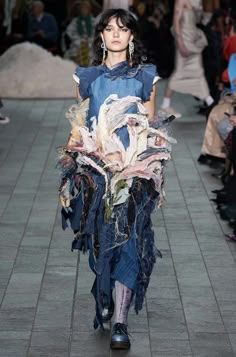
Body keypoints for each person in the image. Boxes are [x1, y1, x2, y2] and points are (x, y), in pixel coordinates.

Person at [57, 8, 174, 350]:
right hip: (94, 172)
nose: (116, 34)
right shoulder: (88, 77)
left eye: (123, 29)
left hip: (132, 170)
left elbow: (150, 127)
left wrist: (149, 165)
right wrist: (75, 157)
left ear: (132, 36)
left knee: (129, 239)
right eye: (110, 29)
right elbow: (81, 121)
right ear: (102, 36)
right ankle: (104, 291)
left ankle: (120, 320)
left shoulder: (145, 77)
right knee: (98, 242)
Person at [159, 0, 215, 118]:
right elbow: (176, 22)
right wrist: (180, 43)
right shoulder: (181, 1)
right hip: (184, 38)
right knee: (179, 71)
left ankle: (210, 101)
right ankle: (165, 105)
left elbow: (200, 19)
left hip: (193, 36)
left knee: (198, 70)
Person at [63, 1, 95, 66]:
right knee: (74, 52)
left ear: (89, 10)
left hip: (91, 41)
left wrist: (91, 38)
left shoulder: (93, 20)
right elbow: (69, 31)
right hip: (78, 42)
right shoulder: (75, 20)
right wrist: (78, 38)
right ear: (80, 10)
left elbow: (97, 32)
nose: (84, 10)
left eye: (86, 9)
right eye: (82, 9)